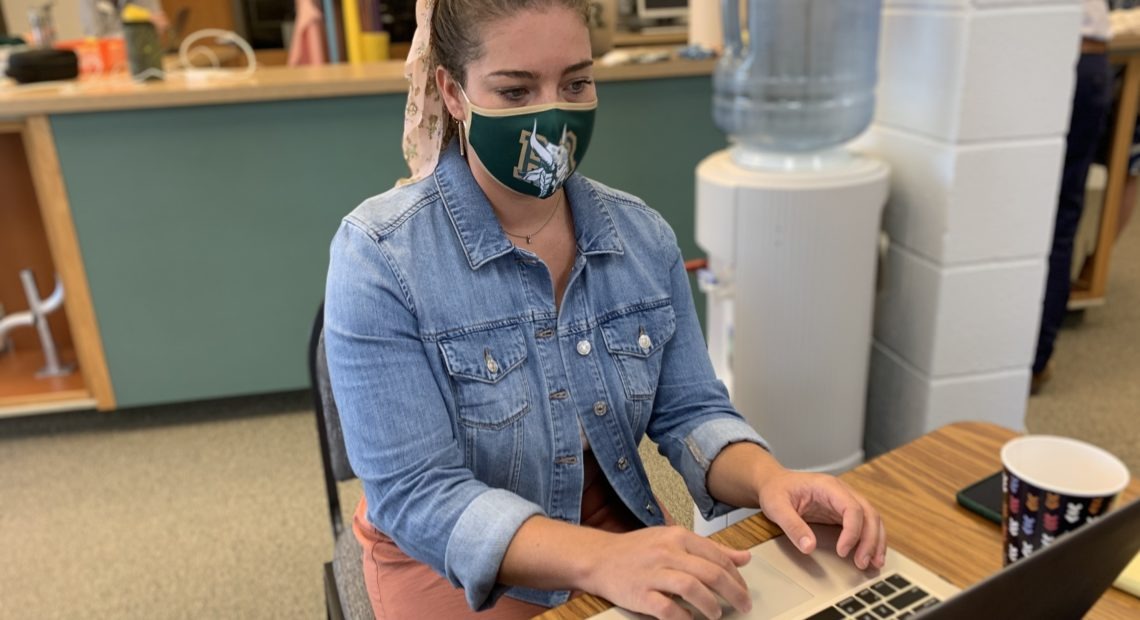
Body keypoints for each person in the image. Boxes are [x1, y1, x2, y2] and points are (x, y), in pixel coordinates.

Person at [323, 1, 886, 618]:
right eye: (515, 91)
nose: (552, 113)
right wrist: (600, 559)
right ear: (452, 93)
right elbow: (418, 496)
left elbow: (691, 411)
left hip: (605, 517)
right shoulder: (378, 257)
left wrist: (770, 480)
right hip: (447, 552)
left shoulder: (641, 237)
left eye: (576, 83)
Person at [1033, 0, 1113, 394]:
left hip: (1036, 52)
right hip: (1088, 56)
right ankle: (1033, 362)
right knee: (1060, 217)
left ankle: (1023, 361)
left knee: (1024, 216)